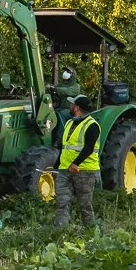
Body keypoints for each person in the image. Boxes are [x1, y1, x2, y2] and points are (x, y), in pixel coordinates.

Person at [54, 94, 101, 230]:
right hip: (64, 170)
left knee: (85, 205)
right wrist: (56, 167)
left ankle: (91, 232)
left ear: (77, 108)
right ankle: (60, 231)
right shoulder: (69, 123)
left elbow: (89, 148)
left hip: (85, 171)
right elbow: (64, 147)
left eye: (72, 104)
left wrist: (76, 163)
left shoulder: (92, 125)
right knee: (62, 202)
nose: (70, 106)